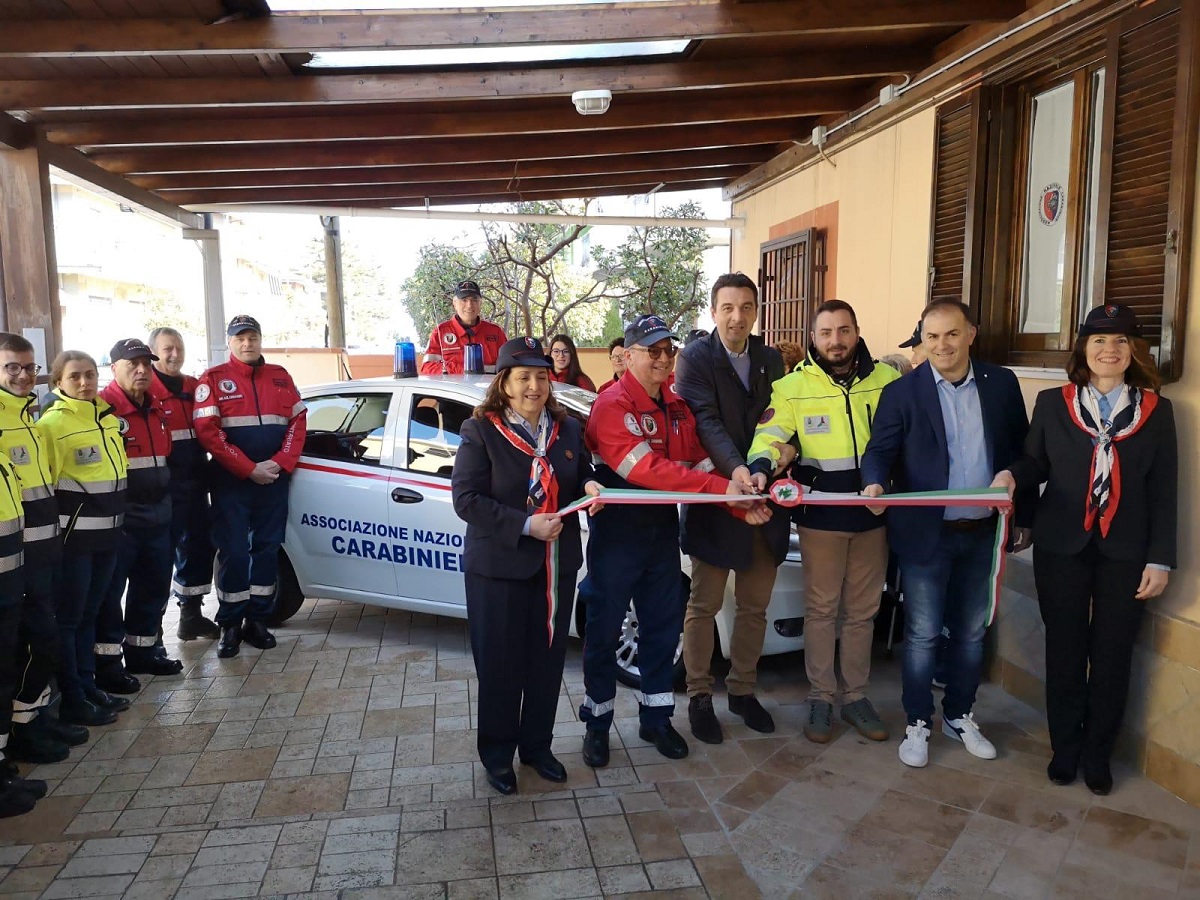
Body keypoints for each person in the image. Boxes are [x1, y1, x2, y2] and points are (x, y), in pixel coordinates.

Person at [993, 304, 1175, 795]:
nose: (1109, 350)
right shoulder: (1055, 402)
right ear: (1083, 349)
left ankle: (1098, 755)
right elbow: (1035, 464)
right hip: (1062, 545)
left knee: (1113, 653)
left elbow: (1164, 489)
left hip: (1127, 551)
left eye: (1120, 341)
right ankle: (1065, 750)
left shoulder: (1157, 411)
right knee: (1065, 649)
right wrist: (1013, 481)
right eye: (1098, 340)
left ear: (1134, 351)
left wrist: (1160, 558)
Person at [580, 314, 766, 766]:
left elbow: (700, 467)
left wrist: (738, 501)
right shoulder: (611, 406)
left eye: (669, 350)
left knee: (662, 633)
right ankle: (598, 726)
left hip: (662, 536)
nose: (664, 359)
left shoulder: (678, 406)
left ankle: (656, 720)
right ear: (627, 356)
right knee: (604, 632)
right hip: (617, 539)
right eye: (653, 351)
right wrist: (724, 492)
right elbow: (649, 471)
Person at [862, 299, 1033, 769]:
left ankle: (959, 715)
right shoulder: (903, 392)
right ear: (923, 339)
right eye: (932, 336)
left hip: (982, 533)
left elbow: (1025, 452)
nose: (942, 345)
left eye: (952, 334)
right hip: (926, 536)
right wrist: (873, 481)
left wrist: (1023, 509)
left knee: (971, 634)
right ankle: (918, 722)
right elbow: (880, 451)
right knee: (920, 635)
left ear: (971, 334)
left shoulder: (1001, 384)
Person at [451, 337, 602, 795]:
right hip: (498, 569)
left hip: (554, 566)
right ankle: (498, 756)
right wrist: (523, 525)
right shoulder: (480, 431)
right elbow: (466, 500)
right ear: (505, 384)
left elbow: (580, 472)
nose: (534, 385)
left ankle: (537, 747)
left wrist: (593, 484)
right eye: (524, 377)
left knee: (546, 662)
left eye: (541, 375)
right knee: (500, 667)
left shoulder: (567, 429)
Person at [748, 299, 898, 745]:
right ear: (814, 338)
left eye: (844, 330)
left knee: (862, 613)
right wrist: (761, 462)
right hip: (822, 515)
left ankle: (855, 698)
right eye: (827, 332)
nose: (836, 340)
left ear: (856, 332)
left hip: (874, 515)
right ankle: (820, 697)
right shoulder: (793, 386)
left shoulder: (889, 381)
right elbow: (772, 434)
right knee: (821, 610)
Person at [675, 273, 791, 744]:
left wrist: (774, 461)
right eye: (728, 307)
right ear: (713, 310)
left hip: (764, 501)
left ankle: (743, 690)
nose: (737, 316)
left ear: (756, 311)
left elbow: (781, 420)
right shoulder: (696, 358)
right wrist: (736, 473)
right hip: (717, 498)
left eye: (746, 306)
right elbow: (703, 420)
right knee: (703, 606)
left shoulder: (771, 359)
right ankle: (700, 696)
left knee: (754, 607)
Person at [194, 315, 306, 658]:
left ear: (260, 340)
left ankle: (257, 621)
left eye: (252, 337)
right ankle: (230, 624)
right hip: (232, 482)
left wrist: (281, 462)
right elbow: (208, 432)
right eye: (240, 338)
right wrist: (248, 468)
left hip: (273, 479)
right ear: (229, 342)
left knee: (268, 550)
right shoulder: (213, 380)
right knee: (235, 553)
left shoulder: (280, 377)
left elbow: (298, 421)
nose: (247, 344)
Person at [0, 334, 89, 764]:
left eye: (28, 367)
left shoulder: (28, 421)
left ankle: (33, 719)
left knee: (43, 641)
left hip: (44, 552)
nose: (21, 375)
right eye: (10, 367)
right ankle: (21, 730)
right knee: (34, 643)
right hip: (18, 560)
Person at [39, 351, 126, 726]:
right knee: (71, 619)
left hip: (108, 536)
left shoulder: (105, 418)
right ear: (58, 382)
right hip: (74, 542)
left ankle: (88, 685)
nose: (85, 383)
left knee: (91, 612)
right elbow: (48, 485)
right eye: (75, 377)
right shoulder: (53, 425)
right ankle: (72, 696)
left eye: (90, 375)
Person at [98, 339, 180, 679]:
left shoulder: (158, 407)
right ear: (115, 367)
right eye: (133, 364)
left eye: (147, 364)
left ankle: (143, 653)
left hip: (158, 519)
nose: (142, 370)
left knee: (153, 588)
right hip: (121, 522)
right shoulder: (101, 410)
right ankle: (107, 665)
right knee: (109, 596)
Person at [149, 327, 219, 641]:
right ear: (154, 353)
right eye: (167, 349)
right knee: (161, 556)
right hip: (162, 487)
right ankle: (150, 630)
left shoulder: (194, 386)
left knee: (198, 547)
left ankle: (191, 614)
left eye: (178, 347)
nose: (174, 354)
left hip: (195, 481)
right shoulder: (144, 388)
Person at [419, 280, 508, 375]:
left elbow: (509, 367)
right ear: (455, 303)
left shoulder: (495, 332)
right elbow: (427, 367)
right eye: (464, 300)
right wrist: (461, 371)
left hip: (488, 389)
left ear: (480, 303)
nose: (469, 305)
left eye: (474, 300)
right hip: (454, 389)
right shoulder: (441, 332)